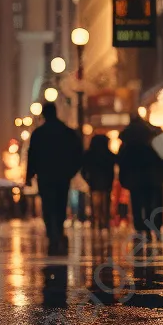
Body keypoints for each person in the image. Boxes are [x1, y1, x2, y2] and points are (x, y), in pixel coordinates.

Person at [25, 100, 83, 255]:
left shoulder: (39, 133)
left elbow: (32, 155)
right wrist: (71, 171)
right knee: (60, 203)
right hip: (62, 175)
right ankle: (58, 228)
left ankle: (52, 231)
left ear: (44, 114)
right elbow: (78, 153)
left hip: (45, 175)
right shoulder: (66, 132)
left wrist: (29, 175)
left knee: (48, 203)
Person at [117, 114, 163, 240]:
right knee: (149, 202)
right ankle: (150, 226)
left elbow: (122, 160)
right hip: (149, 176)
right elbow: (160, 158)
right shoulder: (149, 139)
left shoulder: (128, 143)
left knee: (137, 203)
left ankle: (139, 226)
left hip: (134, 177)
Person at [81, 133, 117, 232]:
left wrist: (87, 179)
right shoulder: (108, 154)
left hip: (94, 182)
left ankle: (95, 221)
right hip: (106, 182)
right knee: (105, 202)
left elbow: (83, 169)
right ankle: (104, 222)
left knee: (95, 202)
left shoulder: (89, 154)